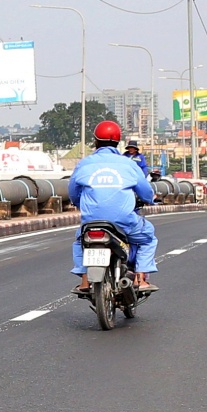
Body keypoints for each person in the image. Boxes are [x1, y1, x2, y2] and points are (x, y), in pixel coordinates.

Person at [69, 119, 158, 291]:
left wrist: (78, 202)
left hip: (91, 222)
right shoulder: (129, 164)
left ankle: (85, 281)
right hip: (124, 222)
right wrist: (150, 199)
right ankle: (140, 279)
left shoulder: (84, 163)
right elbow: (146, 192)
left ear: (95, 141)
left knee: (80, 241)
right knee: (148, 237)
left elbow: (73, 191)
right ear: (118, 142)